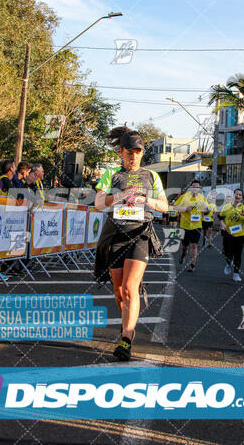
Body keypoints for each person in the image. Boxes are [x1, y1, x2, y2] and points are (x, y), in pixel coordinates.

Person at [94, 126, 168, 362]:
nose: (134, 156)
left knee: (129, 288)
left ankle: (126, 338)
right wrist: (119, 195)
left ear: (143, 153)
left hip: (140, 234)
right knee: (118, 292)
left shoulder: (151, 176)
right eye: (129, 151)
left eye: (138, 151)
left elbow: (165, 206)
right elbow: (98, 204)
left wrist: (147, 199)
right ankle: (128, 322)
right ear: (121, 152)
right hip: (116, 235)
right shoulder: (111, 175)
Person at [174, 179, 209, 272]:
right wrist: (185, 208)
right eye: (193, 187)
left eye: (197, 187)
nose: (195, 189)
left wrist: (206, 209)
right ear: (190, 188)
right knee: (185, 246)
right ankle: (183, 254)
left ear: (199, 188)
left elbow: (207, 210)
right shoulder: (184, 197)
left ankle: (192, 265)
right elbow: (175, 207)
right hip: (185, 225)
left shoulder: (202, 198)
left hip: (197, 225)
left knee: (194, 245)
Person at [219, 188, 244, 282]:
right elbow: (220, 216)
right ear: (233, 196)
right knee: (227, 252)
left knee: (238, 254)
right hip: (229, 233)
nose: (238, 196)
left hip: (240, 235)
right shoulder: (226, 207)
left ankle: (236, 274)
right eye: (236, 194)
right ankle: (229, 263)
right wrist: (223, 224)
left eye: (240, 195)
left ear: (241, 198)